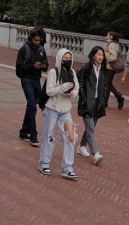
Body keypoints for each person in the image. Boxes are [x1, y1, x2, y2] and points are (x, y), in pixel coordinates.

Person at [38, 48, 79, 179]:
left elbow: (77, 88)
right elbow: (49, 91)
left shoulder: (72, 72)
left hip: (65, 110)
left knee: (70, 137)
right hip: (52, 109)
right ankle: (44, 163)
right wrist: (62, 88)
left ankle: (67, 167)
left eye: (69, 58)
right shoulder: (53, 72)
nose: (67, 60)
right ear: (59, 59)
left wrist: (72, 93)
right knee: (48, 137)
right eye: (65, 58)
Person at [15, 29, 48, 147]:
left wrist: (43, 66)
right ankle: (33, 135)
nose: (37, 42)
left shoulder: (41, 49)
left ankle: (24, 131)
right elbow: (19, 68)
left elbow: (46, 65)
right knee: (32, 106)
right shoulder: (25, 49)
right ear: (31, 39)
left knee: (32, 106)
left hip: (36, 79)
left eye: (39, 40)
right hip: (26, 79)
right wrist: (32, 66)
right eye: (35, 40)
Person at [77, 45, 109, 165]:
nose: (101, 57)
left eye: (102, 55)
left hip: (97, 102)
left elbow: (105, 85)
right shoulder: (86, 68)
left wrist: (103, 99)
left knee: (91, 127)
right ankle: (95, 153)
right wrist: (83, 97)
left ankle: (81, 146)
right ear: (93, 55)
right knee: (90, 127)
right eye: (99, 54)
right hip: (87, 102)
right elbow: (80, 83)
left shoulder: (103, 70)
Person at [104, 32, 125, 110]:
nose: (106, 36)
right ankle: (119, 98)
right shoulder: (112, 45)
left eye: (108, 35)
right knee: (108, 85)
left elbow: (113, 58)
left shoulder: (112, 45)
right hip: (109, 68)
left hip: (110, 68)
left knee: (107, 85)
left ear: (111, 37)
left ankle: (105, 103)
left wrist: (104, 53)